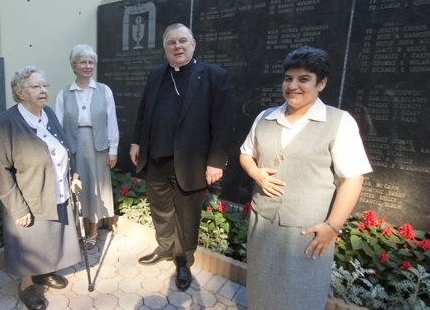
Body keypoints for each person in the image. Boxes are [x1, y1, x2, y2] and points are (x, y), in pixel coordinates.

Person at [239, 46, 372, 309]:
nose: (293, 86)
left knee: (301, 296)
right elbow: (246, 153)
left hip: (307, 232)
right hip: (263, 224)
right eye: (288, 79)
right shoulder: (265, 117)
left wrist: (331, 227)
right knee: (260, 292)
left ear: (321, 83)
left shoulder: (339, 122)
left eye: (303, 79)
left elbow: (353, 178)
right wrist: (256, 173)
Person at [129, 23, 232, 291]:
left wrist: (215, 161)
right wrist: (137, 141)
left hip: (191, 163)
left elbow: (222, 123)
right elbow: (143, 110)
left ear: (193, 44)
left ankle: (183, 261)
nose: (178, 46)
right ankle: (165, 249)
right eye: (171, 43)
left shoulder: (213, 76)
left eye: (183, 41)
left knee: (187, 217)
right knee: (161, 211)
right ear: (165, 49)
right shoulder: (155, 74)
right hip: (156, 160)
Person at [0, 65, 82, 310]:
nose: (43, 91)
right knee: (29, 244)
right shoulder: (7, 122)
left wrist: (72, 176)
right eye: (36, 86)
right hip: (29, 197)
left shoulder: (48, 113)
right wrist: (17, 208)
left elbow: (62, 148)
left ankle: (44, 272)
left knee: (50, 238)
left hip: (56, 191)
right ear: (20, 93)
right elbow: (1, 169)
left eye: (44, 86)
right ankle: (27, 285)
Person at [55, 44, 119, 250]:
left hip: (98, 146)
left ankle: (93, 231)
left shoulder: (104, 91)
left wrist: (113, 150)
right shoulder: (63, 94)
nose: (88, 66)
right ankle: (76, 230)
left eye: (91, 62)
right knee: (76, 189)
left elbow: (112, 122)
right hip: (73, 146)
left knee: (95, 188)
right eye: (83, 62)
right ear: (74, 66)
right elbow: (57, 126)